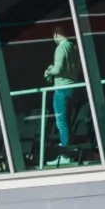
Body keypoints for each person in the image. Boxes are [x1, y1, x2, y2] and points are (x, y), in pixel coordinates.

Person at [44, 28, 81, 166]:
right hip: (74, 87)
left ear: (56, 34)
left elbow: (58, 69)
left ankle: (65, 154)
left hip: (61, 88)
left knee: (61, 122)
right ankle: (68, 152)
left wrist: (49, 70)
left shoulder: (61, 48)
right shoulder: (74, 47)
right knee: (68, 122)